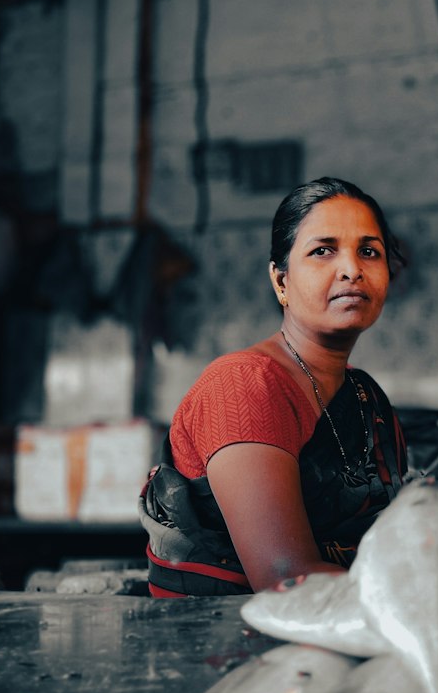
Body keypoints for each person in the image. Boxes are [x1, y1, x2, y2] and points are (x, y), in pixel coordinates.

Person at [140, 177, 407, 596]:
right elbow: (286, 579)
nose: (352, 269)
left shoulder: (363, 397)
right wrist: (435, 592)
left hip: (333, 634)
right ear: (281, 282)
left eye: (369, 252)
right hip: (221, 646)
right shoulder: (243, 384)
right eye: (323, 251)